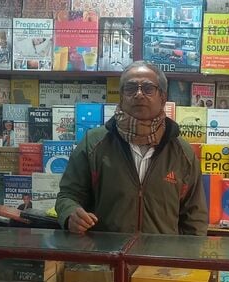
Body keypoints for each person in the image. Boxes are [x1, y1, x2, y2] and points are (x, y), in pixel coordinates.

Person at [55, 60, 207, 235]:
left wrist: (183, 260)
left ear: (163, 97)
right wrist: (70, 215)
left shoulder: (182, 153)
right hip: (106, 258)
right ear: (121, 96)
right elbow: (67, 196)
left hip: (159, 260)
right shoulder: (94, 143)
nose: (139, 94)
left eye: (148, 88)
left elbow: (195, 219)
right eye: (131, 88)